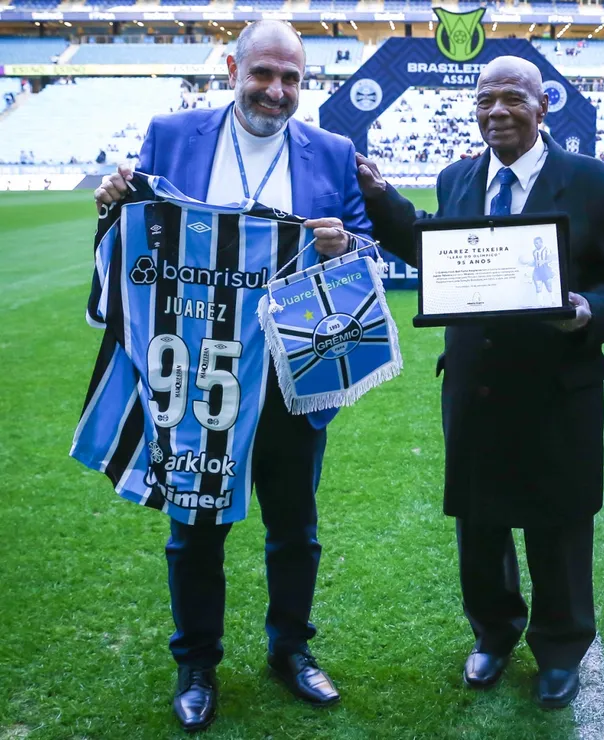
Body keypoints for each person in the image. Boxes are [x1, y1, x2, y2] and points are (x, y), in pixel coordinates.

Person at [92, 20, 371, 732]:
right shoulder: (172, 133)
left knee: (295, 528)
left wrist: (344, 245)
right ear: (232, 68)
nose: (276, 92)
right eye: (264, 75)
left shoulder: (334, 152)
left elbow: (367, 251)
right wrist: (110, 198)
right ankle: (196, 661)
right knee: (194, 526)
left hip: (289, 374)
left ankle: (291, 651)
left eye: (291, 80)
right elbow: (135, 225)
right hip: (199, 371)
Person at [355, 56, 604, 709]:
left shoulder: (595, 183)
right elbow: (433, 250)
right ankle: (493, 633)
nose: (497, 111)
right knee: (480, 522)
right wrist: (379, 198)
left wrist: (589, 312)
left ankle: (561, 647)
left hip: (558, 388)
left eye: (513, 98)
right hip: (476, 385)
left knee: (559, 524)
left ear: (543, 108)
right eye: (486, 100)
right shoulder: (457, 177)